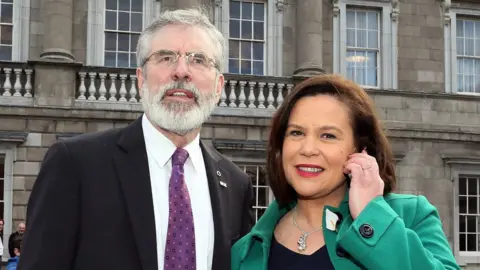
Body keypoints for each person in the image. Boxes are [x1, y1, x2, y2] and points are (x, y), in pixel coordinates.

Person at [19, 8, 253, 270]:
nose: (181, 71)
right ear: (141, 78)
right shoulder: (75, 164)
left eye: (198, 60)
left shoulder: (235, 183)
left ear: (219, 86)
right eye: (166, 57)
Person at [231, 74, 460, 269]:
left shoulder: (411, 216)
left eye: (328, 135)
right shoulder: (246, 251)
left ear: (360, 149)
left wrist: (371, 218)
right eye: (296, 133)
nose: (308, 149)